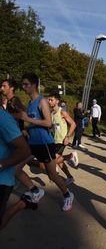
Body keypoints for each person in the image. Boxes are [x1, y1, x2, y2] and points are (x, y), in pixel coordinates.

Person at [15, 73, 74, 211]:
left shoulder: (42, 101)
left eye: (26, 84)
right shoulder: (30, 103)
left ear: (34, 85)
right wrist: (26, 128)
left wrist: (28, 120)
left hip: (44, 144)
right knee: (17, 168)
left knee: (52, 175)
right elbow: (33, 120)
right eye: (22, 84)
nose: (23, 87)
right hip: (33, 143)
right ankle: (35, 191)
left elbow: (48, 123)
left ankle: (67, 195)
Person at [1, 78, 45, 202]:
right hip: (12, 137)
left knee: (15, 167)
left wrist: (8, 117)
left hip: (18, 137)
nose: (1, 88)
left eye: (4, 86)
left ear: (11, 88)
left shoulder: (14, 100)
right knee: (18, 165)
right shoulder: (6, 101)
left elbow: (23, 113)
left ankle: (35, 190)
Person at [0, 110, 37, 230]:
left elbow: (25, 150)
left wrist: (2, 164)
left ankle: (23, 203)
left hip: (2, 180)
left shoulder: (3, 119)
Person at [48, 93, 79, 185]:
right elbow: (54, 127)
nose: (49, 101)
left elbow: (73, 124)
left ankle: (70, 156)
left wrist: (68, 136)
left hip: (62, 140)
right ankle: (70, 177)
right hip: (55, 140)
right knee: (59, 161)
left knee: (53, 161)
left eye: (51, 100)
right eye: (49, 100)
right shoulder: (51, 113)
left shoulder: (62, 112)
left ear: (57, 101)